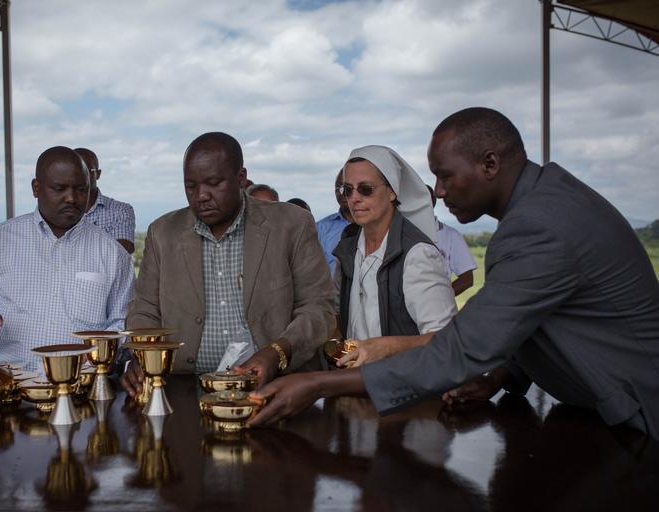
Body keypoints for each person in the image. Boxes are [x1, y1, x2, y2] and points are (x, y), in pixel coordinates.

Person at [248, 107, 659, 440]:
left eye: (445, 176)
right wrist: (500, 376)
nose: (439, 192)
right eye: (346, 190)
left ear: (490, 164)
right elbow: (533, 320)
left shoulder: (540, 226)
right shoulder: (542, 206)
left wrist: (318, 384)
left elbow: (460, 347)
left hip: (640, 413)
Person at [121, 132, 335, 395]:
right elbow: (144, 309)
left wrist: (278, 352)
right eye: (191, 186)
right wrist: (144, 356)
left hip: (276, 388)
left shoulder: (291, 224)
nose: (201, 195)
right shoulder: (163, 233)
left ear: (241, 178)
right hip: (182, 388)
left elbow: (319, 308)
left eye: (213, 183)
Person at [0, 146, 132, 372]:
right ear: (36, 188)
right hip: (11, 381)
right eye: (59, 188)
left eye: (81, 189)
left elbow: (122, 322)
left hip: (82, 383)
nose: (72, 198)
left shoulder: (113, 253)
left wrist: (101, 350)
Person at [333, 146, 456, 349]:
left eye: (366, 189)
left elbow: (444, 339)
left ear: (392, 192)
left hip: (401, 370)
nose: (354, 198)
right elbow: (337, 312)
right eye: (347, 190)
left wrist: (384, 349)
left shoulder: (417, 254)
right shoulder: (348, 248)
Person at [74, 147, 136, 254]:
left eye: (87, 170)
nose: (80, 176)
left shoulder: (120, 211)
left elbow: (119, 255)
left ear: (98, 174)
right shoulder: (57, 212)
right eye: (73, 171)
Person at [427, 185, 477, 296]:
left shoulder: (451, 235)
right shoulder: (399, 231)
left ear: (433, 202)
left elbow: (467, 279)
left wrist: (437, 299)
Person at [316, 170, 352, 274]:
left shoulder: (374, 226)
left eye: (347, 188)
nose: (341, 193)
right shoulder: (320, 228)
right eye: (338, 188)